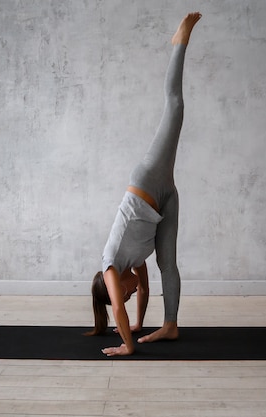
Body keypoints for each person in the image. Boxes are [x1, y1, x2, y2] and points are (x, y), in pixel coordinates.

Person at [86, 12, 202, 356]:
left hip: (147, 184)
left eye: (125, 293)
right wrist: (138, 327)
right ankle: (170, 326)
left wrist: (127, 346)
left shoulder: (110, 262)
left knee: (176, 106)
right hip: (164, 202)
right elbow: (145, 288)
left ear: (114, 286)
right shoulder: (133, 264)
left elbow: (117, 307)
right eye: (129, 295)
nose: (132, 293)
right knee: (168, 265)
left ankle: (179, 42)